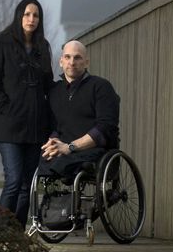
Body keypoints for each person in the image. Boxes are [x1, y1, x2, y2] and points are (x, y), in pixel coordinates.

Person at [0, 0, 54, 229]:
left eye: (36, 15)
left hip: (36, 127)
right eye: (27, 14)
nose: (31, 19)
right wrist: (5, 107)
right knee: (13, 180)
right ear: (19, 15)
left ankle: (17, 234)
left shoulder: (43, 47)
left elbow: (48, 85)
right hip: (9, 126)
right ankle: (2, 232)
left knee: (27, 185)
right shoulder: (0, 42)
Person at [40, 39, 120, 179]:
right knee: (41, 162)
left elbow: (105, 128)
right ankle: (50, 193)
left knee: (63, 165)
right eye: (67, 57)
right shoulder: (55, 91)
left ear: (86, 62)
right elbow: (54, 127)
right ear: (61, 61)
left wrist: (70, 147)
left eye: (77, 58)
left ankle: (65, 190)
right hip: (64, 150)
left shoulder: (101, 87)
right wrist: (53, 142)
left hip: (95, 151)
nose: (72, 62)